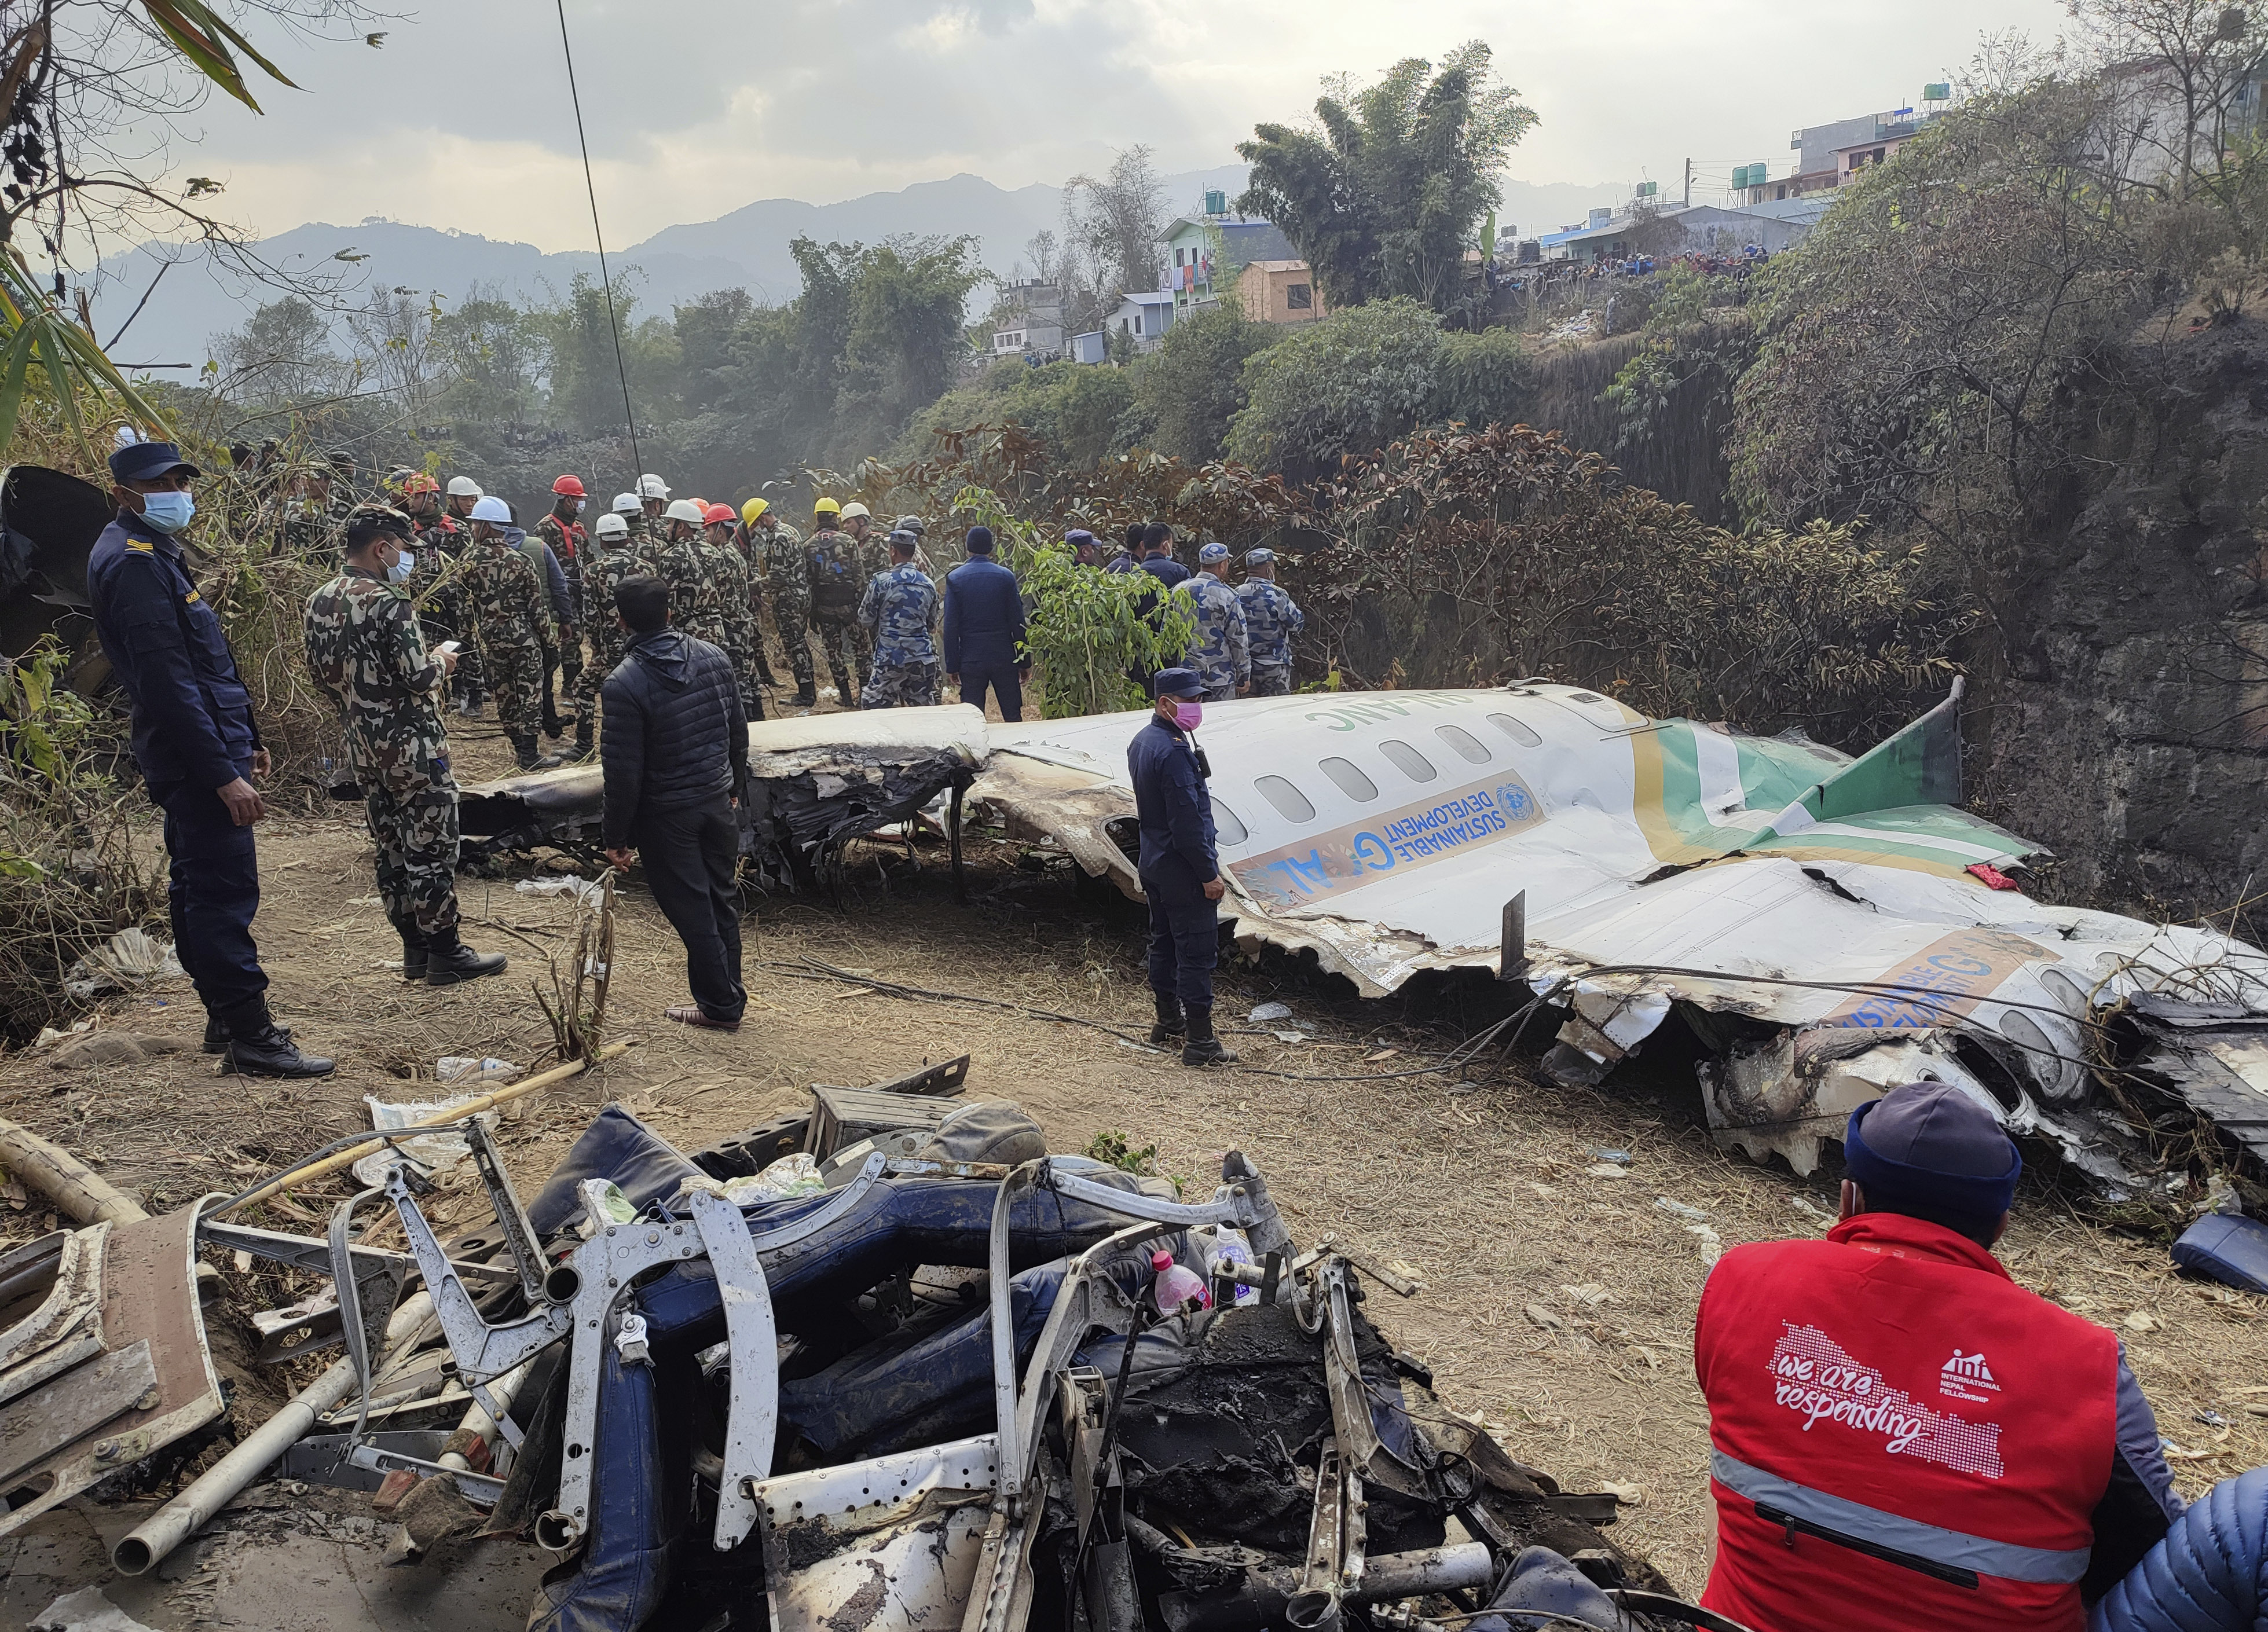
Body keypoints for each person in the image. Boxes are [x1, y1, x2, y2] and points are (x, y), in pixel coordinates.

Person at [1694, 1081, 2183, 1632]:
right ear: (1997, 1229)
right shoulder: (2087, 1363)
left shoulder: (1743, 1280)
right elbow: (2152, 1545)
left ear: (1848, 1197)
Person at [86, 439, 332, 1077]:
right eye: (159, 482)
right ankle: (252, 1033)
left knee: (196, 885)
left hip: (206, 749)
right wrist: (223, 773)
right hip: (195, 759)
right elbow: (167, 683)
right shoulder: (134, 562)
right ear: (123, 493)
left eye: (179, 479)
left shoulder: (157, 554)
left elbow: (205, 663)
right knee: (222, 892)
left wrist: (247, 736)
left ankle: (226, 1016)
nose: (175, 491)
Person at [305, 505, 508, 988]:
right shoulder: (389, 601)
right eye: (404, 549)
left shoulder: (320, 599)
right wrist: (443, 661)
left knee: (390, 846)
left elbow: (320, 675)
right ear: (382, 548)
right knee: (432, 846)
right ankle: (446, 952)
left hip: (362, 745)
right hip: (413, 746)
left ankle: (414, 950)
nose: (408, 559)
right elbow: (419, 676)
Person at [600, 576, 749, 1032]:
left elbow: (623, 774)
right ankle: (728, 994)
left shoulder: (623, 684)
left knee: (692, 910)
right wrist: (733, 785)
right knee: (721, 898)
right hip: (715, 801)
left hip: (667, 815)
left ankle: (720, 1006)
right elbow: (737, 732)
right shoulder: (714, 657)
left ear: (621, 621)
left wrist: (615, 839)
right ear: (670, 612)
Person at [1126, 668, 1236, 1069]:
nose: (1196, 707)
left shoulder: (1144, 741)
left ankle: (1168, 1022)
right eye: (1188, 700)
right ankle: (1201, 1041)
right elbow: (1188, 823)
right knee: (1196, 953)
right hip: (1182, 867)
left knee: (1164, 942)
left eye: (1199, 700)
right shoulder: (1172, 752)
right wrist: (1208, 874)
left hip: (1154, 860)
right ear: (1164, 703)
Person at [463, 496, 562, 770]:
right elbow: (537, 608)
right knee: (530, 694)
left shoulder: (467, 564)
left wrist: (469, 647)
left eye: (475, 524)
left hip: (492, 643)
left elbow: (464, 610)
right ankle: (529, 754)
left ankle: (520, 748)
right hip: (524, 640)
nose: (472, 530)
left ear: (486, 526)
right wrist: (550, 644)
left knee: (504, 696)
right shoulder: (521, 561)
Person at [571, 511, 642, 762]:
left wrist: (597, 648)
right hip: (645, 644)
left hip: (613, 648)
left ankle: (584, 746)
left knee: (582, 687)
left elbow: (590, 615)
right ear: (626, 538)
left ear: (601, 541)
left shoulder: (593, 570)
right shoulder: (647, 566)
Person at [941, 525, 1029, 721]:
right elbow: (1018, 622)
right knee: (1013, 715)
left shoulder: (955, 579)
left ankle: (975, 752)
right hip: (1004, 658)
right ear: (991, 548)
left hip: (971, 659)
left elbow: (951, 626)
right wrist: (1024, 661)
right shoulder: (1006, 577)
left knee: (972, 719)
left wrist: (953, 665)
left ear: (967, 548)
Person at [858, 529, 942, 707]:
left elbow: (865, 619)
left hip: (890, 658)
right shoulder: (928, 584)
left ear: (893, 551)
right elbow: (932, 625)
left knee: (873, 703)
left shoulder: (881, 581)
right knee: (923, 709)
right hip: (922, 658)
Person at [536, 475, 589, 739]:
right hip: (559, 595)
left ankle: (571, 685)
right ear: (566, 500)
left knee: (576, 639)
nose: (580, 504)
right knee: (567, 640)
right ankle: (567, 686)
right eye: (578, 500)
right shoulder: (545, 528)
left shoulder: (580, 528)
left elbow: (588, 559)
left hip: (579, 593)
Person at [702, 502, 765, 720]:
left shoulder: (723, 556)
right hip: (740, 621)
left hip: (732, 624)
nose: (707, 534)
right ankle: (758, 716)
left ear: (720, 529)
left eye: (709, 529)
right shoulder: (733, 552)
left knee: (738, 677)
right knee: (746, 672)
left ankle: (750, 723)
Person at [806, 498, 865, 706]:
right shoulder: (848, 541)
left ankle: (846, 695)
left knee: (834, 653)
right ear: (835, 517)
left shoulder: (808, 545)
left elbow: (808, 583)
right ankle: (866, 693)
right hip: (850, 605)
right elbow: (860, 576)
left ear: (817, 517)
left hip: (824, 608)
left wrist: (811, 613)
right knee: (862, 649)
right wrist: (862, 606)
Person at [651, 498, 727, 648]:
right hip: (717, 631)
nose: (667, 527)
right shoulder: (715, 552)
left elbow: (668, 603)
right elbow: (723, 592)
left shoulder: (670, 557)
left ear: (680, 527)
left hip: (687, 635)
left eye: (671, 523)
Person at [1185, 543, 1250, 702]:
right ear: (1222, 565)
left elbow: (1166, 631)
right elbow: (1239, 640)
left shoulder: (1178, 591)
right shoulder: (1228, 596)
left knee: (1189, 722)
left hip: (1186, 676)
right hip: (1220, 679)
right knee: (1222, 722)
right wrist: (1244, 674)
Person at [1237, 547, 1304, 696]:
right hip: (1274, 666)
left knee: (1248, 710)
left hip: (1247, 667)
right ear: (1269, 569)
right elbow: (1296, 624)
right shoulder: (1277, 594)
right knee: (1277, 711)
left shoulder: (1235, 593)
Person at [735, 498, 782, 690]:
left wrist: (755, 587)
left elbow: (752, 566)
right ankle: (752, 679)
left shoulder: (748, 540)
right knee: (746, 640)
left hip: (750, 596)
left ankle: (766, 676)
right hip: (738, 600)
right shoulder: (735, 541)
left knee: (756, 637)